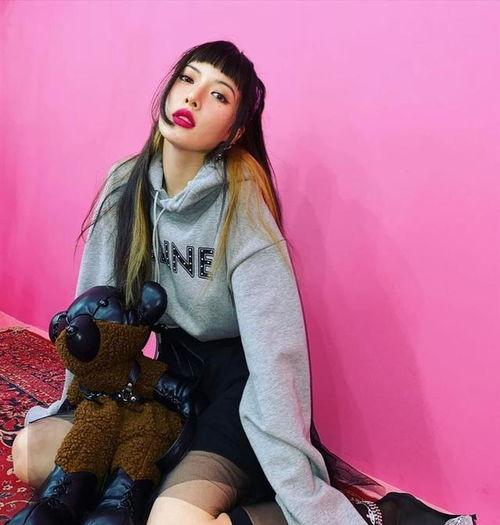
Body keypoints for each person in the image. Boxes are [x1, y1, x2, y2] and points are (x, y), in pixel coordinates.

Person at [12, 40, 477, 525]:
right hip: (165, 382)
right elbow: (94, 316)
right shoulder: (124, 183)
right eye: (188, 79)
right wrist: (78, 404)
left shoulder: (242, 204)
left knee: (173, 522)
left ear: (234, 132)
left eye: (219, 95)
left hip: (239, 394)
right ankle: (165, 492)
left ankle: (368, 513)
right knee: (32, 455)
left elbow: (275, 353)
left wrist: (294, 473)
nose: (193, 98)